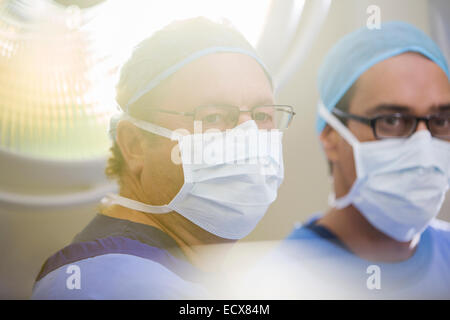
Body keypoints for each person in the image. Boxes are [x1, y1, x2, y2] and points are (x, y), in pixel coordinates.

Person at [31, 17, 294, 299]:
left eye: (261, 116)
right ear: (134, 145)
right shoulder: (102, 282)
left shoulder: (188, 278)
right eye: (214, 116)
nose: (248, 135)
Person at [267, 21, 450, 299]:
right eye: (392, 120)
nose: (424, 145)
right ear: (331, 136)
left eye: (441, 120)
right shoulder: (277, 283)